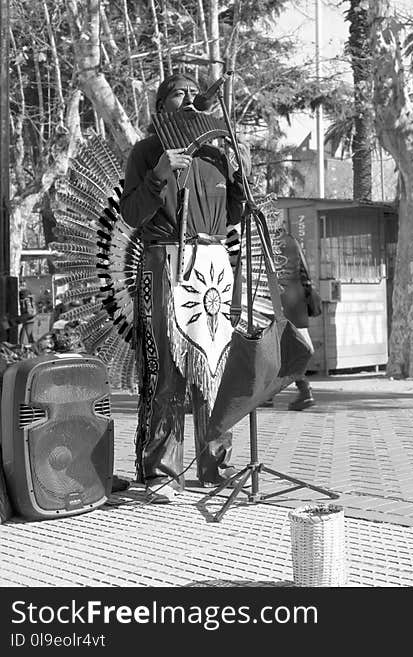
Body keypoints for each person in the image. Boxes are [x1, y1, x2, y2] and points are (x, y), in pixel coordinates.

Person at [120, 73, 246, 499]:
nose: (191, 98)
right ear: (161, 106)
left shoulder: (216, 154)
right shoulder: (146, 150)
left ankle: (216, 466)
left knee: (215, 368)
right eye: (179, 92)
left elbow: (232, 217)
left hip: (212, 264)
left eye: (196, 92)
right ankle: (161, 472)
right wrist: (158, 175)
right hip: (165, 261)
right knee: (168, 368)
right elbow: (132, 215)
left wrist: (242, 178)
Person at [262, 229, 317, 411]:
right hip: (297, 298)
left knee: (276, 349)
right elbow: (303, 270)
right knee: (293, 349)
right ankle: (296, 391)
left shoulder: (262, 240)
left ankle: (302, 390)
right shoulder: (291, 240)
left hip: (277, 300)